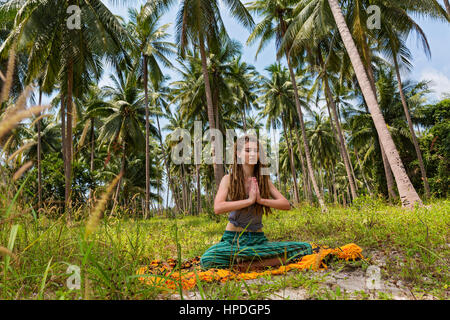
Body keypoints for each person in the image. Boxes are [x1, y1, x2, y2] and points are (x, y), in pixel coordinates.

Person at [200, 134, 312, 272]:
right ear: (238, 154)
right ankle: (259, 262)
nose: (253, 154)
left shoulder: (264, 181)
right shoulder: (228, 179)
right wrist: (249, 201)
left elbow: (285, 204)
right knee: (207, 260)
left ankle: (248, 265)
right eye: (248, 150)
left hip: (258, 240)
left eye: (256, 150)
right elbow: (218, 208)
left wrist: (260, 200)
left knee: (306, 248)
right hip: (233, 240)